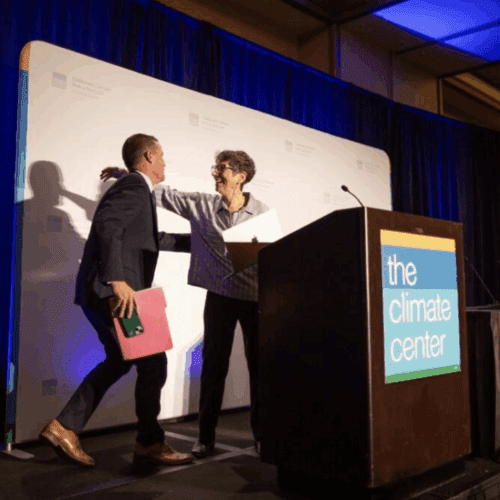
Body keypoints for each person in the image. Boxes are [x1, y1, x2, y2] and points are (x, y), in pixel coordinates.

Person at [101, 150, 269, 458]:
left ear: (241, 176)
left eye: (222, 168)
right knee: (213, 368)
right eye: (215, 167)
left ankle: (261, 437)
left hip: (254, 300)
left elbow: (268, 262)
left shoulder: (261, 212)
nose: (215, 173)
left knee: (258, 369)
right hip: (219, 297)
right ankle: (205, 439)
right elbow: (162, 194)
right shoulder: (202, 205)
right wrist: (127, 175)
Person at [39, 134, 194, 467]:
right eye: (162, 155)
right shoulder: (134, 186)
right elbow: (107, 225)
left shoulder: (135, 188)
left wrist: (199, 243)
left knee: (121, 360)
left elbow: (150, 238)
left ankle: (65, 427)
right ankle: (149, 443)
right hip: (116, 295)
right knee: (153, 363)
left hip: (104, 293)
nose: (165, 161)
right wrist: (117, 279)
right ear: (149, 156)